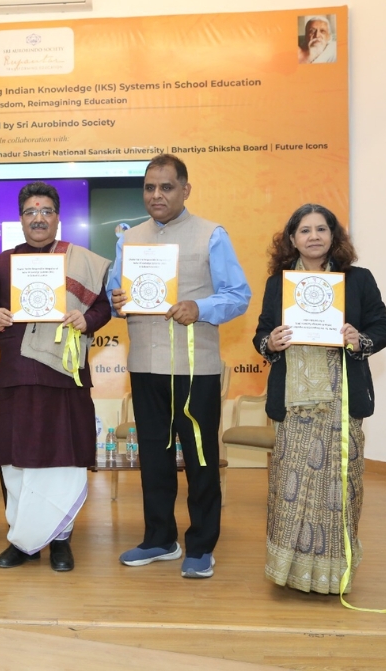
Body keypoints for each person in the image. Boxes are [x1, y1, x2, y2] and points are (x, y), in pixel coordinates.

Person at [107, 153, 251, 579]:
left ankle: (201, 546)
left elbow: (238, 295)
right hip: (145, 365)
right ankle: (159, 539)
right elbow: (116, 296)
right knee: (154, 458)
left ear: (185, 190)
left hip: (195, 368)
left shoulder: (211, 235)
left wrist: (200, 307)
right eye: (150, 187)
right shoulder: (129, 238)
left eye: (166, 187)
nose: (157, 195)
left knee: (200, 460)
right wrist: (117, 300)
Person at [254, 203, 386, 594]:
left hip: (341, 401)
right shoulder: (278, 284)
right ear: (292, 238)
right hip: (294, 404)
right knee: (290, 488)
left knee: (340, 488)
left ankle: (334, 574)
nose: (313, 236)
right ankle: (289, 572)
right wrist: (271, 342)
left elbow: (382, 327)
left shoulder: (358, 280)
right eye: (304, 230)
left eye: (321, 229)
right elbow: (261, 333)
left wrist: (358, 339)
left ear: (334, 236)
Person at [0, 181, 113, 572]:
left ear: (57, 218)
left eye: (46, 211)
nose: (38, 218)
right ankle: (23, 541)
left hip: (64, 377)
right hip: (16, 375)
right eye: (31, 211)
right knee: (15, 461)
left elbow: (102, 309)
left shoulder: (78, 260)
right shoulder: (3, 263)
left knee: (63, 459)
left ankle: (61, 541)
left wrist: (86, 319)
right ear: (20, 220)